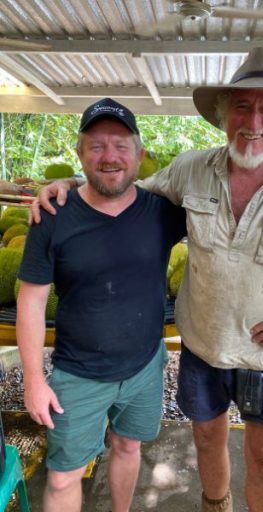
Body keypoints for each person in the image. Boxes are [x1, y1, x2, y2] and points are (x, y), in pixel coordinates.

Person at [35, 48, 263, 512]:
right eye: (242, 106)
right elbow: (124, 198)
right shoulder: (191, 170)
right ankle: (215, 506)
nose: (253, 120)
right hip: (202, 346)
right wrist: (71, 186)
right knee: (206, 441)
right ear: (223, 115)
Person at [17, 98, 187, 512]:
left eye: (120, 145)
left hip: (145, 365)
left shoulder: (164, 212)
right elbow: (32, 302)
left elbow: (229, 194)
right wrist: (34, 380)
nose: (109, 156)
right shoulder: (52, 216)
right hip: (78, 373)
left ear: (139, 155)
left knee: (128, 446)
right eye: (96, 146)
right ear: (79, 154)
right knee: (62, 477)